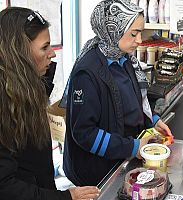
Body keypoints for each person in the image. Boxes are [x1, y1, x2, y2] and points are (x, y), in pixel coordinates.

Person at [62, 0, 172, 186]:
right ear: (113, 30)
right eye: (133, 34)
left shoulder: (124, 60)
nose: (139, 40)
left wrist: (152, 119)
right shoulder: (87, 73)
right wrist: (132, 148)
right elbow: (84, 133)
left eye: (140, 33)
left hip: (121, 158)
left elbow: (133, 101)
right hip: (96, 172)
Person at [0, 7, 99, 200]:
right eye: (45, 47)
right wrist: (65, 198)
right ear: (18, 53)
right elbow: (5, 186)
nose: (52, 54)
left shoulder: (28, 88)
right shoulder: (4, 104)